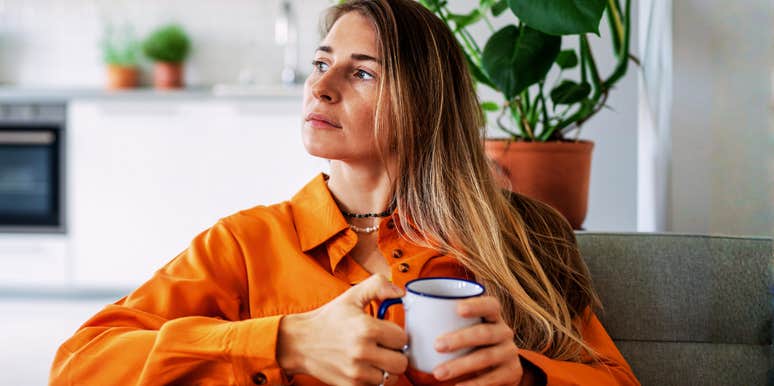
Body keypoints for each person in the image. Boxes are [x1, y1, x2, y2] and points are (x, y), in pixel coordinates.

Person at [50, 1, 639, 385]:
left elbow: (616, 379)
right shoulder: (246, 243)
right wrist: (284, 343)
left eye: (360, 72)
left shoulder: (519, 236)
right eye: (320, 62)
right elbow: (79, 365)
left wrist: (528, 376)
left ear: (423, 103)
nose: (320, 87)